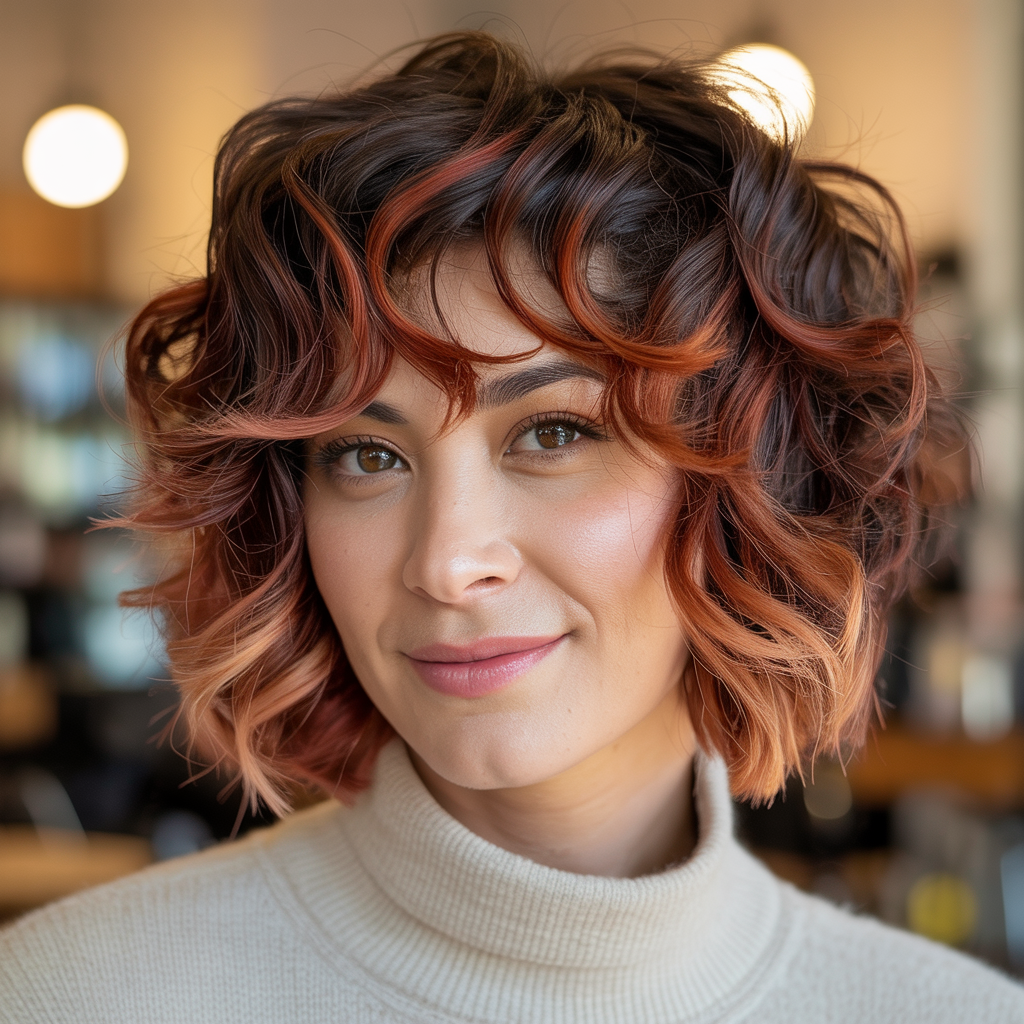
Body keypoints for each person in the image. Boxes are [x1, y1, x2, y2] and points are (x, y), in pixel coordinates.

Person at [2, 31, 1021, 1024]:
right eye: (368, 454)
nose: (447, 562)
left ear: (757, 484)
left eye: (553, 432)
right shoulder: (75, 993)